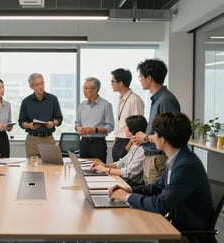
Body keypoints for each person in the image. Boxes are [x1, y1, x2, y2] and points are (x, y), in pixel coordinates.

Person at [109, 112, 214, 243]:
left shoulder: (186, 165)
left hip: (185, 233)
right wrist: (128, 190)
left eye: (155, 134)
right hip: (173, 225)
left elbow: (161, 204)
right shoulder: (177, 159)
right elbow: (157, 187)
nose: (152, 138)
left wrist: (126, 197)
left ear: (163, 139)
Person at [132, 58, 180, 184]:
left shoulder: (165, 100)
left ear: (149, 78)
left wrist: (146, 138)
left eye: (141, 76)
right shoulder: (157, 99)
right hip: (150, 158)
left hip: (159, 159)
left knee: (156, 199)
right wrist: (141, 139)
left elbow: (169, 135)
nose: (140, 79)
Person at [90, 115, 147, 186]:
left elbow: (129, 173)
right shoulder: (135, 145)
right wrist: (104, 166)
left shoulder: (143, 150)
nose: (124, 129)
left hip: (132, 184)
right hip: (124, 180)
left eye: (126, 126)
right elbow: (122, 163)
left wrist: (106, 170)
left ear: (132, 129)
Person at [18, 73, 63, 157]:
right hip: (32, 140)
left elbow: (59, 118)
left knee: (50, 167)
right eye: (37, 84)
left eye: (42, 83)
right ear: (31, 87)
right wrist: (29, 125)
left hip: (48, 139)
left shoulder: (53, 99)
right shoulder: (26, 102)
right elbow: (21, 122)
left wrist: (53, 123)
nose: (41, 86)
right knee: (32, 167)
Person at [75, 77, 114, 163]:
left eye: (86, 88)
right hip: (84, 142)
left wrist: (94, 130)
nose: (84, 91)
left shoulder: (106, 105)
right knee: (82, 170)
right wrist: (79, 129)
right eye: (83, 88)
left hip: (98, 144)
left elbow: (110, 126)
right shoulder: (82, 105)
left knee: (99, 171)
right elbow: (77, 123)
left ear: (95, 90)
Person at [110, 68, 144, 162]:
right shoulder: (120, 99)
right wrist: (115, 139)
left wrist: (129, 146)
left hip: (127, 141)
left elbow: (138, 126)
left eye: (113, 81)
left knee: (124, 173)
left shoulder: (134, 100)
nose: (111, 84)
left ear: (121, 83)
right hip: (118, 141)